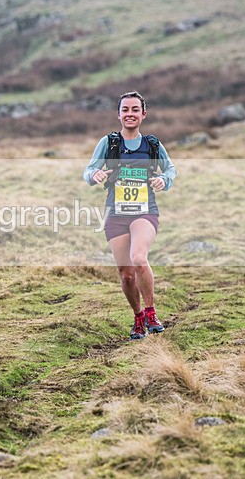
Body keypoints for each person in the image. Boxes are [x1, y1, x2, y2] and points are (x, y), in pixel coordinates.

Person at [83, 91, 176, 340]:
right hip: (116, 215)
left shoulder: (152, 145)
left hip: (145, 212)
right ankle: (138, 318)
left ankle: (151, 313)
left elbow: (170, 169)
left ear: (143, 114)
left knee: (139, 258)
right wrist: (94, 175)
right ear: (118, 114)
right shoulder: (109, 143)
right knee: (125, 274)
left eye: (135, 109)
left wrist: (164, 180)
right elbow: (88, 170)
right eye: (125, 110)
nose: (130, 114)